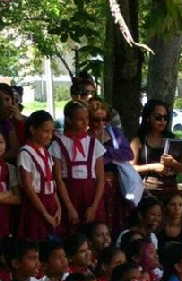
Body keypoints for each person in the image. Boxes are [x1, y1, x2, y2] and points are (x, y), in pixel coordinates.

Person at [51, 101, 106, 232]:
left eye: (86, 118)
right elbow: (58, 179)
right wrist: (69, 207)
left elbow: (100, 178)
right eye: (80, 120)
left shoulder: (94, 143)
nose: (86, 123)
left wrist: (94, 206)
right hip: (68, 194)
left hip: (91, 195)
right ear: (69, 120)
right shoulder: (58, 144)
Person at [89, 99, 135, 236]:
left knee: (116, 222)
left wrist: (105, 152)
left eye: (105, 119)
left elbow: (128, 153)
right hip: (94, 186)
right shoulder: (85, 136)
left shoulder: (113, 132)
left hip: (114, 186)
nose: (101, 123)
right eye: (97, 120)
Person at [130, 100, 182, 202]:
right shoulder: (138, 141)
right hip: (147, 191)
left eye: (165, 117)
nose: (162, 121)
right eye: (158, 117)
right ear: (148, 118)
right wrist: (153, 167)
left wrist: (173, 163)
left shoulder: (173, 140)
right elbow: (131, 168)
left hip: (170, 190)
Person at [18, 111, 61, 241]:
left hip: (50, 203)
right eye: (45, 131)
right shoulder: (25, 153)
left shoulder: (46, 152)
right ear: (32, 130)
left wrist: (58, 207)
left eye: (52, 132)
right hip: (35, 205)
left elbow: (51, 183)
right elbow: (28, 188)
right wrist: (44, 213)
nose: (50, 136)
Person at [0, 132, 21, 239]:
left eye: (1, 142)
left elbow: (18, 199)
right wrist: (9, 193)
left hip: (5, 223)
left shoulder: (10, 168)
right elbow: (13, 194)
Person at [0, 84, 23, 163]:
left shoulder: (17, 120)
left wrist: (19, 121)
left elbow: (16, 150)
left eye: (7, 99)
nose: (3, 104)